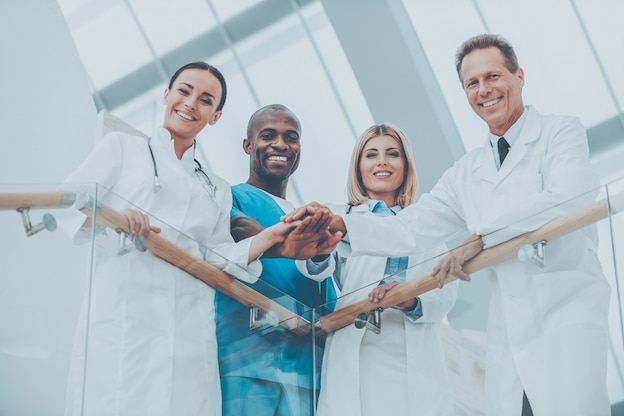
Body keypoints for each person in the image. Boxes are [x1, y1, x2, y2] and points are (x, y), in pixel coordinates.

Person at [286, 34, 611, 416]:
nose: (483, 90)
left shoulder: (560, 132)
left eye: (492, 76)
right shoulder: (467, 172)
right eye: (472, 83)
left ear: (519, 76)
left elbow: (570, 195)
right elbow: (409, 228)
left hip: (565, 312)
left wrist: (481, 238)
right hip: (509, 329)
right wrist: (342, 224)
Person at [60, 63, 300, 416]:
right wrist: (116, 218)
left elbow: (216, 256)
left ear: (215, 116)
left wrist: (267, 238)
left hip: (188, 328)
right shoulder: (122, 148)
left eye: (205, 100)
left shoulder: (214, 186)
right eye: (184, 91)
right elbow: (69, 203)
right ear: (166, 95)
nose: (190, 104)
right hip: (126, 312)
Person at [296, 123, 458, 416]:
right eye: (371, 155)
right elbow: (316, 268)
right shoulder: (340, 217)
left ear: (406, 166)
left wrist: (410, 300)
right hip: (359, 347)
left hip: (410, 349)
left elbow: (446, 293)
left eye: (392, 154)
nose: (382, 161)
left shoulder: (426, 223)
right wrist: (318, 251)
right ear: (358, 168)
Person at [214, 104, 336, 416]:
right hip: (246, 364)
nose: (280, 144)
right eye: (268, 136)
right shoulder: (226, 197)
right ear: (248, 145)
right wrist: (285, 239)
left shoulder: (305, 217)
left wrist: (321, 253)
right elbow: (241, 230)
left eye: (291, 138)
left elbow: (326, 302)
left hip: (307, 374)